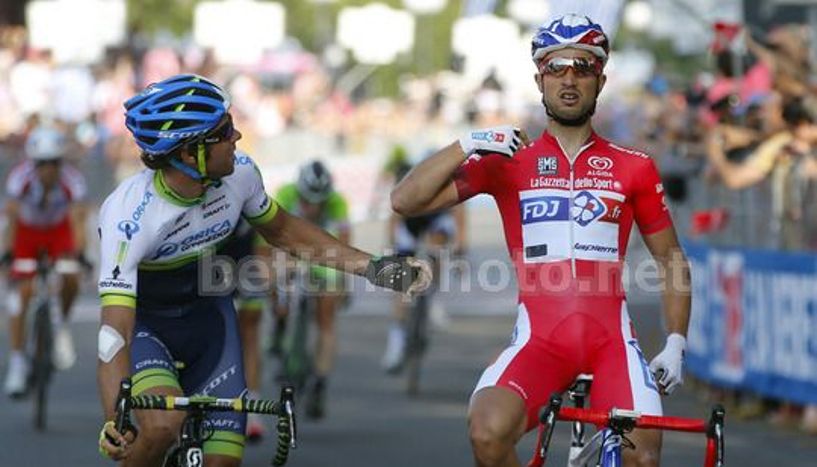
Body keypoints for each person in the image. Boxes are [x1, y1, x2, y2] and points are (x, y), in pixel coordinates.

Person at [391, 15, 690, 467]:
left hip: (612, 342)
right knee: (487, 433)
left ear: (600, 80)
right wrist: (468, 142)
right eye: (556, 67)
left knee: (643, 458)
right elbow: (405, 200)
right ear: (539, 79)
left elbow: (670, 259)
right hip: (540, 342)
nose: (569, 79)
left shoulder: (634, 166)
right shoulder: (507, 161)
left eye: (583, 67)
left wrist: (675, 341)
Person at [96, 74, 431, 466]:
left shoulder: (240, 175)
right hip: (148, 330)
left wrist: (374, 268)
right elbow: (113, 332)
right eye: (223, 131)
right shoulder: (128, 216)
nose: (236, 136)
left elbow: (288, 234)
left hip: (210, 324)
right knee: (162, 424)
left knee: (224, 460)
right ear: (189, 153)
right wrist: (113, 418)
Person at [2, 125, 88, 397]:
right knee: (21, 293)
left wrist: (81, 253)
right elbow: (12, 219)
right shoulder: (19, 179)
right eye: (41, 164)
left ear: (61, 163)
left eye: (53, 163)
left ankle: (60, 324)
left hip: (57, 232)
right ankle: (17, 362)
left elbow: (78, 221)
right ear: (33, 163)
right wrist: (7, 252)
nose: (47, 170)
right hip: (27, 232)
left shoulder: (73, 181)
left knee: (71, 277)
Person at [270, 159, 351, 420]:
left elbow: (345, 247)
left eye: (319, 201)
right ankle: (280, 323)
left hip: (324, 254)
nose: (313, 207)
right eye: (307, 200)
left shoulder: (338, 203)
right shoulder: (285, 194)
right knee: (276, 278)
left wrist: (343, 283)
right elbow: (271, 237)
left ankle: (320, 381)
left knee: (327, 319)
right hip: (291, 248)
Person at [381, 161, 466, 373]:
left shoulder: (442, 186)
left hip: (435, 224)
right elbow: (394, 222)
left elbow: (458, 215)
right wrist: (391, 247)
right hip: (410, 226)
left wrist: (460, 245)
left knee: (437, 247)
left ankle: (432, 296)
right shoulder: (407, 189)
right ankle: (397, 340)